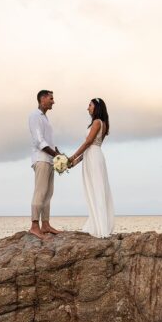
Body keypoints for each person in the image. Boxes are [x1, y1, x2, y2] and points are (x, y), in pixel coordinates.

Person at [68, 98, 114, 238]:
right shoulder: (104, 124)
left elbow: (88, 142)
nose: (88, 108)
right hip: (94, 156)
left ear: (96, 107)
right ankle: (98, 222)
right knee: (95, 188)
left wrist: (72, 156)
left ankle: (100, 227)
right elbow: (93, 146)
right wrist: (75, 162)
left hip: (93, 158)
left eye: (90, 105)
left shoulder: (97, 122)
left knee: (96, 189)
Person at [28, 90, 63, 240]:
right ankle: (34, 226)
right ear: (42, 99)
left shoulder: (46, 119)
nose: (53, 101)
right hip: (41, 158)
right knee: (40, 192)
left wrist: (58, 154)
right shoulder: (35, 116)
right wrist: (55, 154)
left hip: (49, 160)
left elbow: (49, 142)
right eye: (51, 98)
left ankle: (46, 224)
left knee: (48, 193)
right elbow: (39, 140)